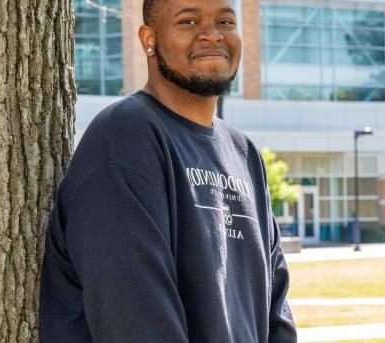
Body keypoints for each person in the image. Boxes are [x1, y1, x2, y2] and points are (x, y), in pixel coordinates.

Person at [38, 0, 297, 342]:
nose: (212, 35)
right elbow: (136, 321)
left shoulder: (243, 153)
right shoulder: (126, 137)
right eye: (188, 21)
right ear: (149, 40)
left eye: (225, 21)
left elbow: (275, 311)